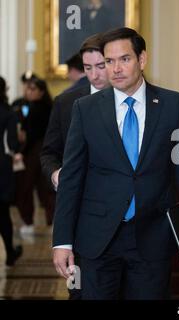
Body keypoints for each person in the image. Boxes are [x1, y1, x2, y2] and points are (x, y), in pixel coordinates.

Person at [52, 27, 179, 300]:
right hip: (97, 239)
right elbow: (72, 179)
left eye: (124, 59)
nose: (115, 69)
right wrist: (62, 241)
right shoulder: (85, 109)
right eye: (109, 61)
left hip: (152, 237)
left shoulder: (173, 105)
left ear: (142, 60)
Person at [41, 33, 109, 300]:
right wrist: (56, 173)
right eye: (88, 68)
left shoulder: (133, 100)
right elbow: (48, 153)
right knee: (80, 291)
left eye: (100, 66)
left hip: (127, 220)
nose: (94, 76)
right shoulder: (66, 102)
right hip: (81, 216)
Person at [15, 77, 54, 234]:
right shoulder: (27, 105)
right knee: (43, 189)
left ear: (41, 92)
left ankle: (32, 222)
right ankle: (47, 222)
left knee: (32, 187)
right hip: (38, 150)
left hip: (35, 151)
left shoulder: (42, 108)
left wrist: (21, 150)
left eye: (33, 89)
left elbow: (30, 134)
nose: (28, 92)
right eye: (27, 88)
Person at [0, 76, 23, 266]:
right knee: (3, 213)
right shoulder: (8, 112)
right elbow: (13, 143)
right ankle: (9, 252)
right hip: (2, 165)